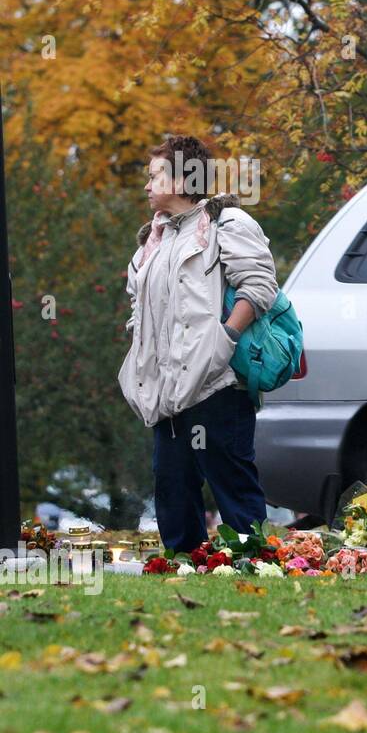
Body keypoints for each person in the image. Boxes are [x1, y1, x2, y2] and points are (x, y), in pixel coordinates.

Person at [118, 134, 279, 555]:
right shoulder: (154, 239)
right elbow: (139, 301)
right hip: (167, 395)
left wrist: (224, 339)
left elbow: (260, 287)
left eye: (155, 175)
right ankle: (181, 566)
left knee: (233, 487)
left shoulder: (228, 224)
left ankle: (253, 564)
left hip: (217, 386)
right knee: (173, 489)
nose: (147, 185)